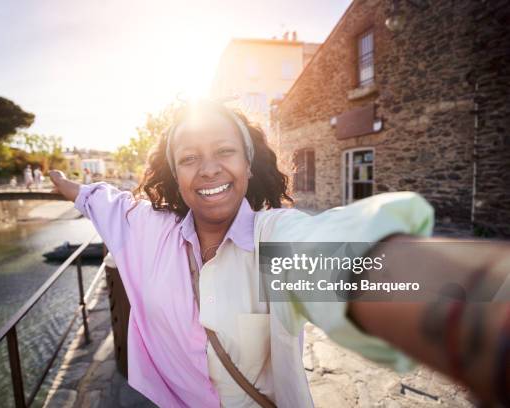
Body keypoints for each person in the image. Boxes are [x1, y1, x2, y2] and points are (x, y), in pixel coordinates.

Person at [50, 100, 509, 407]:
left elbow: (339, 261)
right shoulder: (150, 230)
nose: (208, 168)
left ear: (248, 165)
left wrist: (471, 313)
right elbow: (103, 200)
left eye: (225, 151)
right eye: (189, 158)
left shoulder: (273, 237)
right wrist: (71, 187)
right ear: (175, 172)